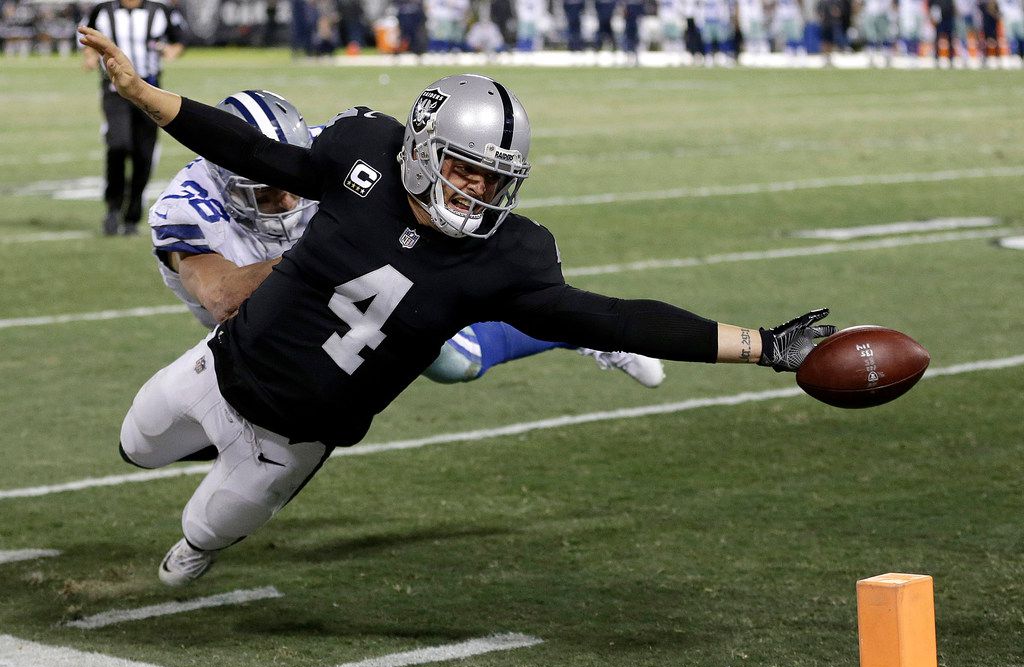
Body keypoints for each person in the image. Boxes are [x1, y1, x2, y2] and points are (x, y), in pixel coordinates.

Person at [81, 25, 837, 587]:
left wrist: (765, 344)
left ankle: (205, 544)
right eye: (465, 169)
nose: (477, 191)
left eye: (493, 178)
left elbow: (615, 315)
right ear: (420, 145)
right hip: (218, 368)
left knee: (196, 538)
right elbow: (259, 155)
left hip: (294, 440)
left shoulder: (505, 258)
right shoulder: (361, 155)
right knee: (134, 444)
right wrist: (147, 96)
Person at [149, 88, 665, 388]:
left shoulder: (327, 147)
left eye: (290, 185)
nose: (287, 201)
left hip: (344, 283)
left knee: (454, 362)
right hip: (280, 302)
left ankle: (575, 327)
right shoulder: (187, 208)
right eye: (267, 194)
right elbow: (222, 297)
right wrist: (333, 247)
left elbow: (406, 161)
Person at [82, 0, 185, 237]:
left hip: (149, 89)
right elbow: (88, 37)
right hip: (114, 89)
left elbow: (179, 38)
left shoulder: (159, 11)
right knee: (118, 144)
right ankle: (113, 206)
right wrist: (89, 55)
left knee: (143, 153)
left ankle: (132, 214)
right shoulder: (103, 10)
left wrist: (172, 50)